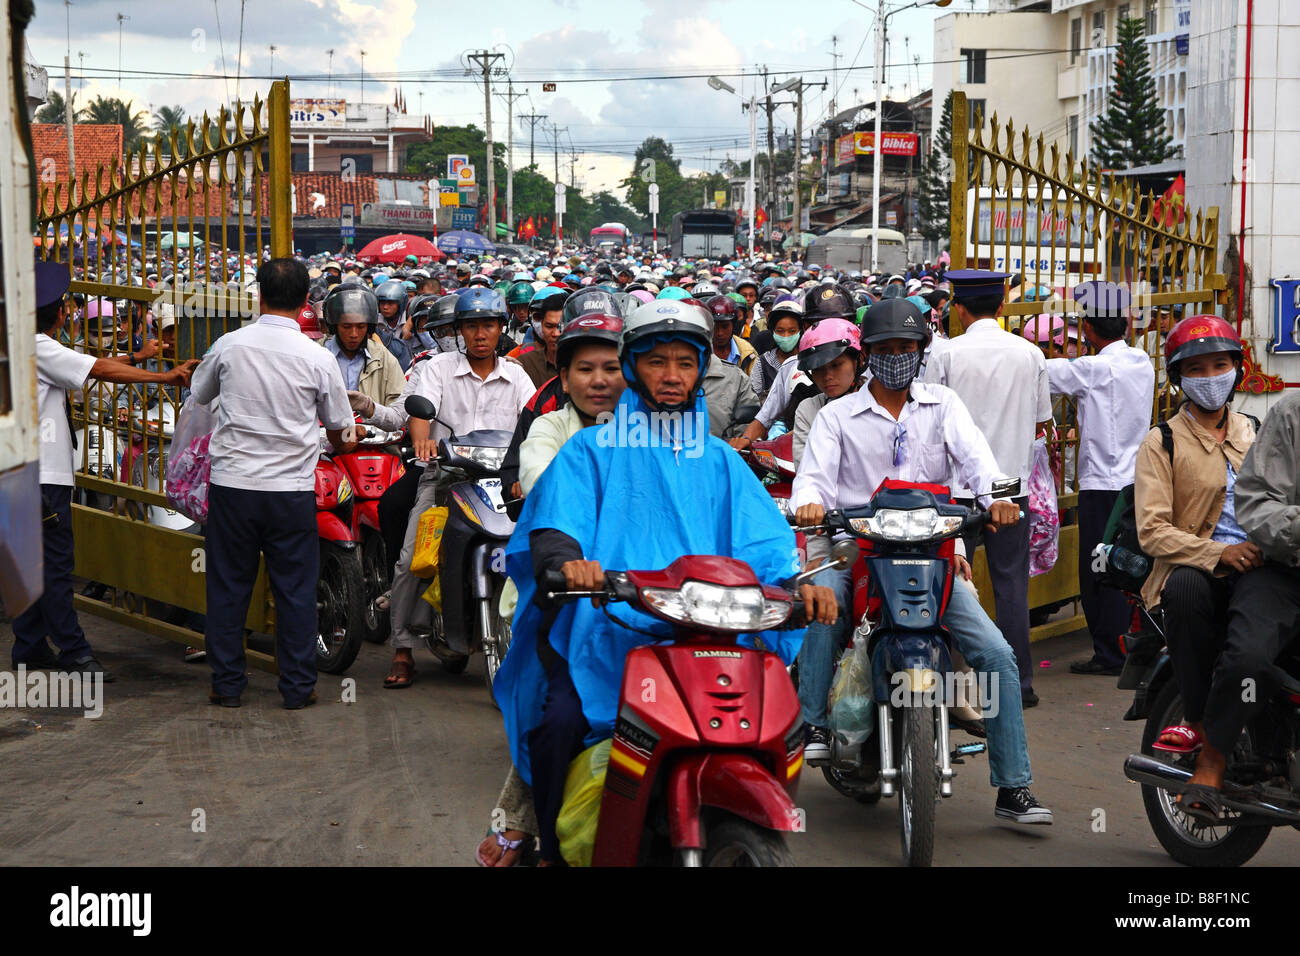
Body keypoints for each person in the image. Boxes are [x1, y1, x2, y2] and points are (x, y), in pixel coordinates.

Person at [493, 297, 834, 865]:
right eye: (657, 361)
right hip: (606, 631)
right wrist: (569, 562)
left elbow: (765, 544)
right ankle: (552, 852)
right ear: (633, 367)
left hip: (713, 638)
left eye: (685, 361)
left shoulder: (723, 461)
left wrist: (799, 585)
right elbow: (556, 525)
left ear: (703, 368)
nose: (672, 375)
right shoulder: (588, 449)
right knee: (558, 726)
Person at [791, 297, 1053, 824]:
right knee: (826, 606)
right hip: (860, 551)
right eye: (885, 349)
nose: (896, 357)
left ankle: (1014, 787)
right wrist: (810, 504)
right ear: (868, 354)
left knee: (996, 656)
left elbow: (981, 463)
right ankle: (813, 721)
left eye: (906, 349)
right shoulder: (837, 416)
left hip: (932, 553)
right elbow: (813, 479)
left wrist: (998, 498)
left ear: (921, 351)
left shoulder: (944, 405)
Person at [476, 309, 627, 867]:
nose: (599, 380)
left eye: (611, 368)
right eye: (584, 369)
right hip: (567, 602)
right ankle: (538, 836)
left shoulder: (663, 433)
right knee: (559, 715)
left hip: (653, 603)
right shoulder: (550, 430)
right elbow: (548, 490)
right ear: (563, 379)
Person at [13, 260, 197, 680]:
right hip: (42, 477)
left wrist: (136, 354)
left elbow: (80, 362)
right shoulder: (38, 347)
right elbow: (96, 369)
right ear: (60, 313)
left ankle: (29, 648)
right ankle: (75, 653)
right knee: (56, 571)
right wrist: (165, 377)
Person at [189, 258, 355, 709]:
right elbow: (340, 429)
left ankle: (227, 685)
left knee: (228, 588)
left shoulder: (230, 346)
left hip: (234, 487)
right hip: (290, 491)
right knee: (295, 591)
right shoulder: (317, 357)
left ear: (259, 294)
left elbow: (198, 395)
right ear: (307, 300)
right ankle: (298, 687)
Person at [352, 287, 534, 689]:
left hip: (501, 482)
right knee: (412, 559)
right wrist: (422, 440)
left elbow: (533, 421)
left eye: (488, 325)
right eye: (472, 326)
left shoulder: (517, 375)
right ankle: (402, 649)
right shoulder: (437, 368)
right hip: (446, 477)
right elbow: (420, 410)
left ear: (501, 328)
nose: (480, 334)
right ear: (459, 330)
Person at [1132, 316, 1260, 819]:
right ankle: (1204, 722)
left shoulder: (1258, 433)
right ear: (1180, 378)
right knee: (1185, 589)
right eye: (1198, 368)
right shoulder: (1161, 442)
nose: (1211, 376)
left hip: (1261, 568)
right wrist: (1219, 554)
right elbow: (1153, 531)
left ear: (1237, 370)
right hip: (1197, 570)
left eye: (1221, 365)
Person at [925, 270, 1052, 707]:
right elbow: (1040, 422)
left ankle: (951, 687)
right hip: (1009, 492)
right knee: (1011, 587)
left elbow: (930, 419)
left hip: (956, 491)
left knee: (949, 585)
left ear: (959, 309)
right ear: (1001, 306)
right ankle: (1018, 685)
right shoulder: (1030, 354)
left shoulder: (947, 354)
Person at [1173, 387, 1300, 820]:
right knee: (1248, 657)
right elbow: (1257, 501)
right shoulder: (1291, 413)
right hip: (1283, 567)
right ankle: (1212, 757)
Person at [1046, 281, 1155, 676]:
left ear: (1088, 329)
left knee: (1100, 569)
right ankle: (1133, 644)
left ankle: (1110, 653)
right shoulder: (1142, 361)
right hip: (1138, 480)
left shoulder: (1094, 368)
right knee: (1132, 565)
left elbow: (1047, 372)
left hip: (1102, 483)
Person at [791, 317, 865, 468]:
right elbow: (807, 470)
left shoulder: (879, 401)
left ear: (858, 361)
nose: (827, 376)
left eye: (836, 365)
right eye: (818, 369)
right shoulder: (808, 410)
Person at [320, 285, 405, 409]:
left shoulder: (383, 357)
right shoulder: (316, 355)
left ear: (369, 327)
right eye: (346, 327)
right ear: (334, 326)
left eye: (360, 327)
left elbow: (399, 407)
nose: (354, 334)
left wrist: (372, 413)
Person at [705, 294, 758, 375]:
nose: (720, 333)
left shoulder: (747, 352)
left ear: (734, 325)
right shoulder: (699, 350)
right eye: (715, 327)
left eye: (725, 327)